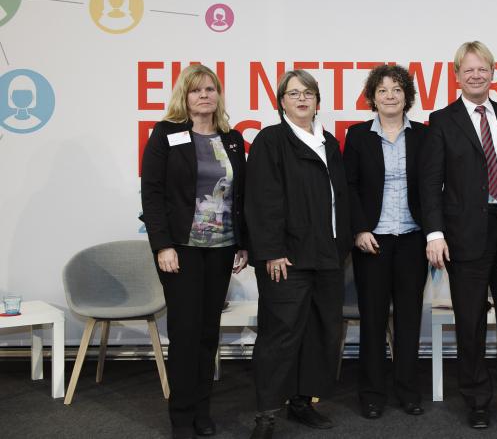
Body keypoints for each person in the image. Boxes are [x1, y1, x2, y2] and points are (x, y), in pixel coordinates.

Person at [419, 41, 497, 430]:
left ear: (493, 73)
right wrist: (434, 233)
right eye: (467, 70)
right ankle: (477, 401)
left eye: (482, 69)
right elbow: (430, 183)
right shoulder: (442, 120)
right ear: (456, 76)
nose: (475, 75)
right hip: (464, 233)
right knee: (470, 323)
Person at [140, 64, 249, 439]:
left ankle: (202, 410)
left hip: (221, 249)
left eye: (210, 89)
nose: (204, 95)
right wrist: (163, 245)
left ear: (218, 95)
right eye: (196, 90)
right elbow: (152, 193)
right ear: (184, 96)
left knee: (207, 335)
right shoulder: (166, 134)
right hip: (181, 251)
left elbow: (240, 195)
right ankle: (181, 416)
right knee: (185, 335)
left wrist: (243, 243)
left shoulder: (232, 139)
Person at [245, 69, 352, 439]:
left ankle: (302, 402)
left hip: (328, 256)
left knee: (321, 333)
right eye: (293, 93)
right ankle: (266, 415)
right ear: (282, 102)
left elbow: (340, 198)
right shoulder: (271, 141)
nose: (302, 99)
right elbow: (262, 200)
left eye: (308, 93)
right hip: (287, 258)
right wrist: (271, 251)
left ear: (317, 100)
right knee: (280, 336)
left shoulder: (329, 143)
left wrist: (342, 244)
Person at [344, 64, 428, 419]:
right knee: (373, 320)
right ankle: (372, 394)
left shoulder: (424, 135)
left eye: (397, 89)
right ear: (372, 98)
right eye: (382, 90)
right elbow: (348, 187)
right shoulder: (358, 136)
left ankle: (408, 391)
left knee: (408, 320)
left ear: (407, 96)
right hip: (372, 241)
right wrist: (360, 229)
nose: (390, 96)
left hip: (412, 238)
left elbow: (433, 187)